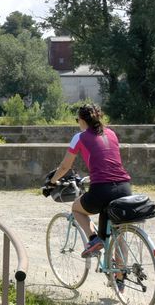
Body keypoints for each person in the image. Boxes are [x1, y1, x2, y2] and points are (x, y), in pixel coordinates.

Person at [47, 103, 132, 257]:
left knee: (76, 208)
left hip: (102, 190)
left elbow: (65, 166)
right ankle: (120, 278)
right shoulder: (112, 133)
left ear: (81, 120)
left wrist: (52, 181)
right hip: (125, 187)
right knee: (119, 235)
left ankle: (94, 239)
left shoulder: (79, 137)